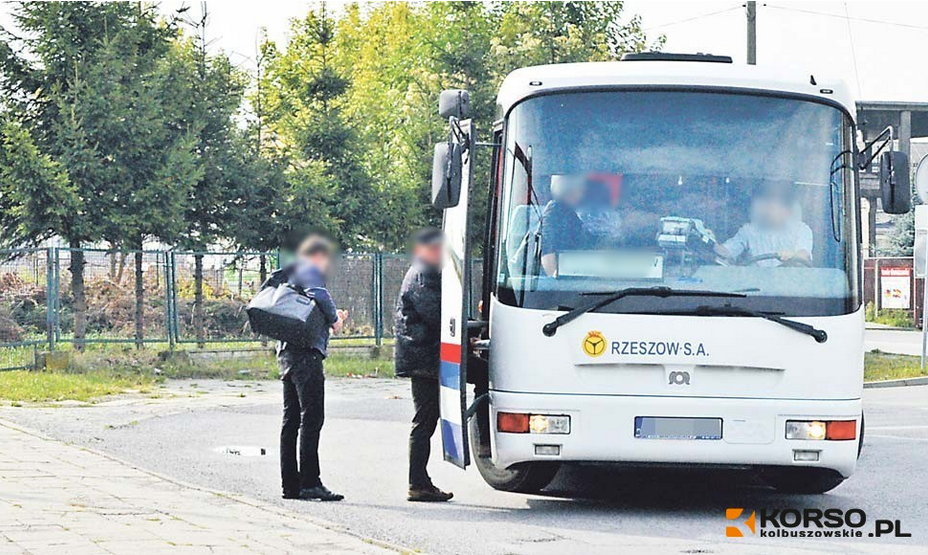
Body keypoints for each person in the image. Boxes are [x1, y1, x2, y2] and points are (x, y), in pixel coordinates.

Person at [278, 234, 348, 501]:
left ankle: (290, 484)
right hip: (306, 355)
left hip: (288, 354)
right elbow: (318, 292)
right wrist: (334, 319)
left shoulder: (290, 274)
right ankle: (310, 482)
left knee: (292, 420)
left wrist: (330, 314)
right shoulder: (308, 270)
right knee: (312, 417)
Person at [394, 227, 453, 502]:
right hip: (424, 357)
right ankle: (417, 483)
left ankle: (421, 480)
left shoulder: (421, 271)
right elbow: (436, 314)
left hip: (422, 356)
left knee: (425, 421)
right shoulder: (424, 273)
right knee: (424, 421)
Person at [715, 181, 813, 267]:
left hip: (789, 284)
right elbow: (727, 252)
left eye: (777, 203)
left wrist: (792, 256)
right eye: (766, 201)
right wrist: (711, 243)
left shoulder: (802, 230)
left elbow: (803, 256)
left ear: (787, 209)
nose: (769, 208)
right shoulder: (748, 230)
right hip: (753, 285)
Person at [540, 174, 589, 276]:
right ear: (564, 191)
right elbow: (547, 249)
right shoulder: (553, 212)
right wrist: (556, 278)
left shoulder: (573, 212)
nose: (581, 194)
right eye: (577, 190)